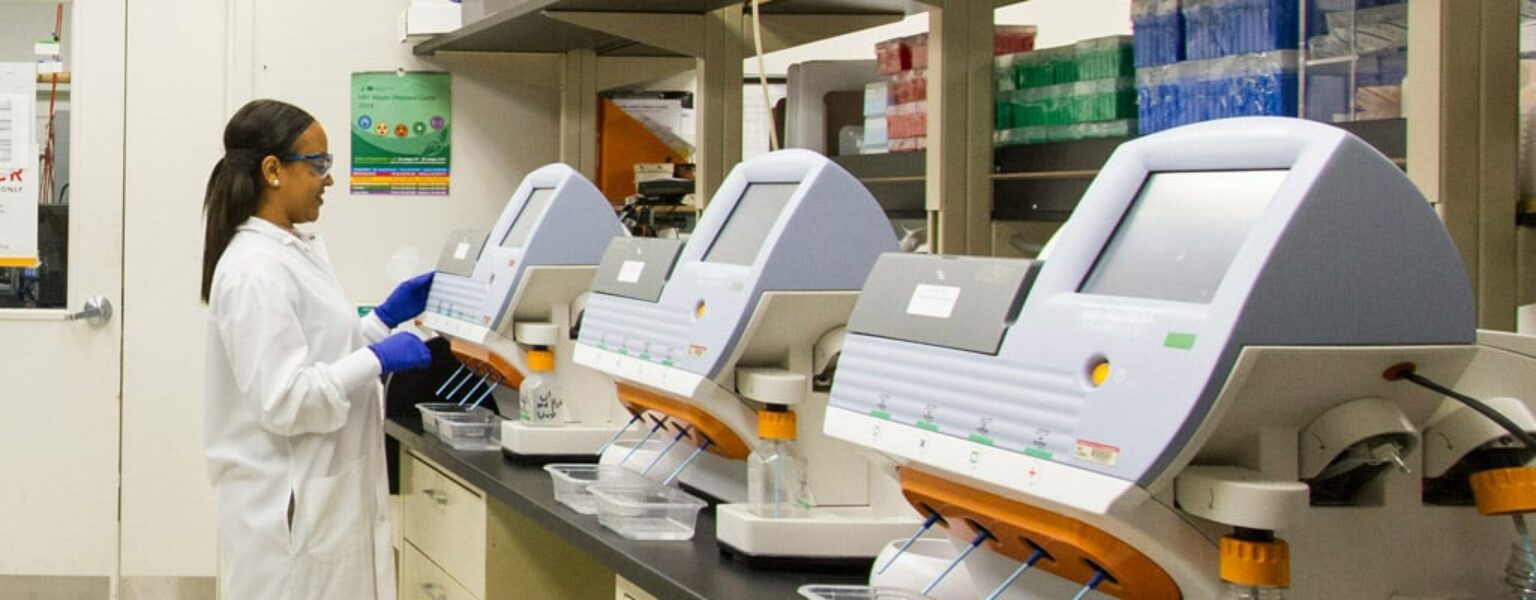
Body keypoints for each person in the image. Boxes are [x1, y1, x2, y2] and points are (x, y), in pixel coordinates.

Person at [201, 99, 434, 599]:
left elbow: (320, 355)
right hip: (289, 511)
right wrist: (378, 358)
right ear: (273, 171)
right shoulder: (255, 270)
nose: (328, 180)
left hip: (317, 496)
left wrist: (378, 324)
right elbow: (285, 399)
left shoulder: (294, 249)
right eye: (319, 165)